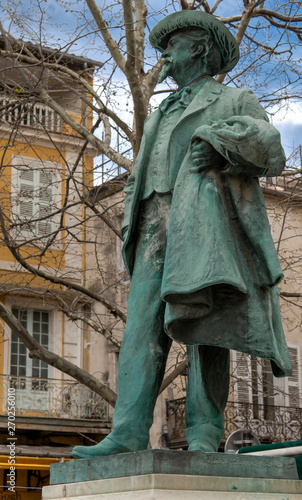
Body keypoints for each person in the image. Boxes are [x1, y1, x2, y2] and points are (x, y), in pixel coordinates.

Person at [72, 11, 292, 458]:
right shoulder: (158, 114)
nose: (166, 55)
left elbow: (271, 148)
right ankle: (129, 431)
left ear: (198, 48)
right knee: (141, 328)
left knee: (207, 324)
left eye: (173, 46)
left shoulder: (233, 99)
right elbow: (139, 174)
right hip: (153, 225)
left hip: (207, 226)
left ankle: (205, 431)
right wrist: (131, 216)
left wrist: (221, 144)